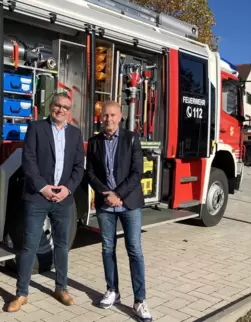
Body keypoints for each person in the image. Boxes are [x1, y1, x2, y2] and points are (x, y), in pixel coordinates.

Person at [6, 92, 85, 313]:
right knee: (29, 246)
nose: (60, 110)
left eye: (65, 107)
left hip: (63, 199)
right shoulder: (36, 128)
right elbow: (28, 160)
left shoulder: (75, 134)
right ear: (50, 106)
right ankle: (21, 294)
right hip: (37, 197)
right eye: (57, 105)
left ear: (70, 112)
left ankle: (61, 288)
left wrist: (67, 189)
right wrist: (44, 187)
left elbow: (79, 167)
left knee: (61, 246)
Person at [86, 100, 152, 321]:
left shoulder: (131, 139)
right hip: (106, 204)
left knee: (134, 250)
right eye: (105, 115)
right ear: (100, 117)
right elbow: (91, 173)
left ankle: (140, 300)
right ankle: (112, 290)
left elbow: (137, 172)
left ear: (120, 116)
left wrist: (118, 194)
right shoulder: (94, 142)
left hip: (129, 204)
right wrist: (106, 193)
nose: (109, 119)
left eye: (113, 115)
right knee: (107, 249)